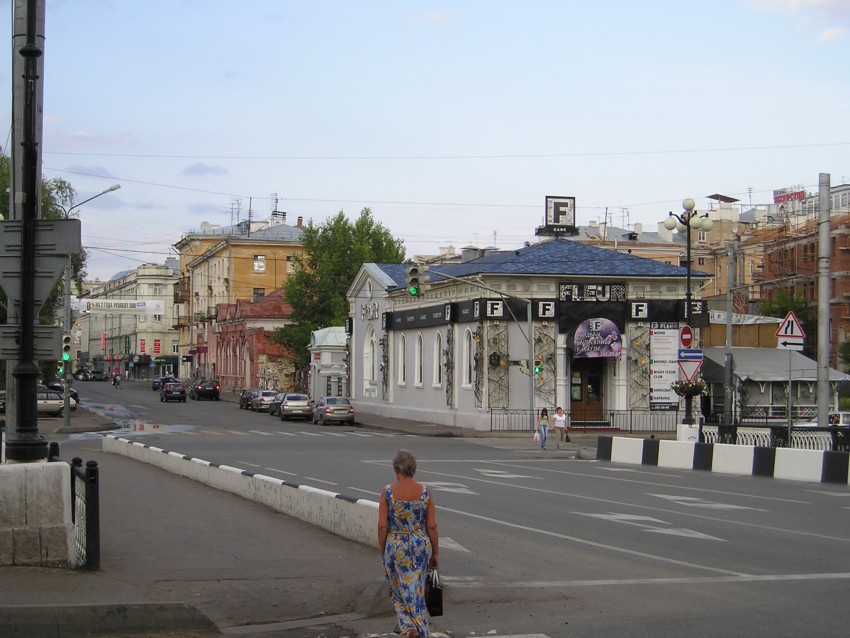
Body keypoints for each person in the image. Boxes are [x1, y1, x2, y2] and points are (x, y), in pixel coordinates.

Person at [378, 449, 439, 638]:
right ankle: (419, 628)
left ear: (396, 469)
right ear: (413, 469)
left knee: (398, 591)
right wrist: (435, 554)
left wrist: (384, 550)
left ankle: (409, 628)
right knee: (416, 590)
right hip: (420, 544)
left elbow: (382, 526)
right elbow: (432, 526)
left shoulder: (388, 492)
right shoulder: (425, 492)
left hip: (395, 545)